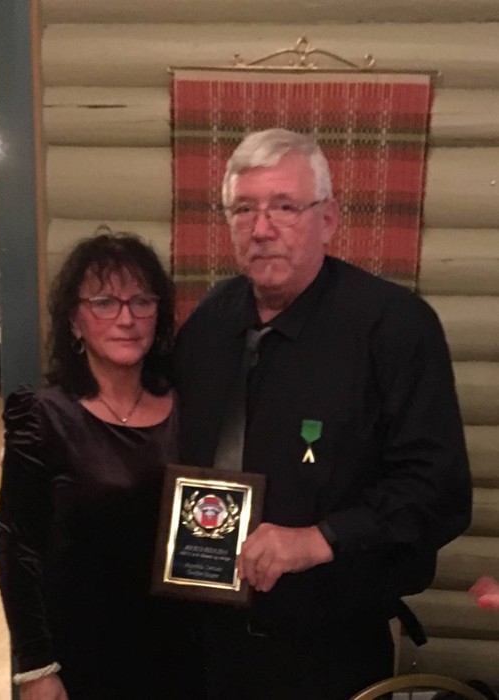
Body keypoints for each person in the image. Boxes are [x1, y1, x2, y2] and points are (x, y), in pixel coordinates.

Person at [175, 128, 473, 700]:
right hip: (208, 642)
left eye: (285, 207)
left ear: (328, 219)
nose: (262, 228)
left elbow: (438, 490)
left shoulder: (394, 327)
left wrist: (320, 539)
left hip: (331, 649)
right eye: (244, 209)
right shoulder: (209, 322)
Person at [0, 230, 188, 699]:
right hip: (81, 654)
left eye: (141, 301)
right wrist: (36, 667)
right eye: (104, 302)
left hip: (181, 650)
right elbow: (17, 549)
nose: (126, 318)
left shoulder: (190, 406)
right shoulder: (42, 416)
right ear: (75, 322)